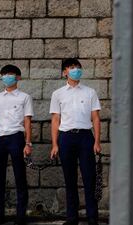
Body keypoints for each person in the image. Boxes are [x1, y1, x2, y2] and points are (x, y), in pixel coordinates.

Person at [49, 58, 101, 225]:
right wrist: (55, 144)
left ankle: (92, 216)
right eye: (72, 68)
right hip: (65, 138)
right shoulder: (57, 94)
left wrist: (97, 141)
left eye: (78, 67)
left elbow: (96, 118)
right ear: (65, 72)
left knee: (89, 178)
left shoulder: (90, 92)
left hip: (86, 137)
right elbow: (56, 120)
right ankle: (72, 217)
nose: (76, 70)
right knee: (69, 179)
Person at [0, 65, 33, 225]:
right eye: (4, 74)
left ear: (18, 77)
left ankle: (21, 215)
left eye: (10, 74)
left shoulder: (24, 97)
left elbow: (28, 122)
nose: (6, 77)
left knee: (20, 177)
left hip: (16, 137)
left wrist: (28, 143)